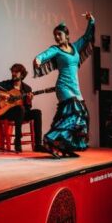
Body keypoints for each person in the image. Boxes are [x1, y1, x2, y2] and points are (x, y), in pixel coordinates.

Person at [33, 12, 95, 158]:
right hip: (63, 87)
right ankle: (50, 140)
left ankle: (65, 146)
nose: (56, 37)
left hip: (75, 87)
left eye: (59, 34)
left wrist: (91, 21)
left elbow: (87, 37)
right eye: (55, 35)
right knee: (72, 114)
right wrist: (38, 60)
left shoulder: (75, 47)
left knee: (82, 116)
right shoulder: (55, 49)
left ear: (66, 35)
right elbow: (44, 55)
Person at [0, 63, 43, 153]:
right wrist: (0, 94)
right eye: (12, 72)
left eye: (16, 72)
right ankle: (17, 140)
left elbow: (28, 107)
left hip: (21, 113)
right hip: (7, 113)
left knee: (37, 112)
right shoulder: (6, 84)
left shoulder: (27, 88)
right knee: (20, 109)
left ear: (22, 74)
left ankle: (38, 144)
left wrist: (28, 101)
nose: (13, 74)